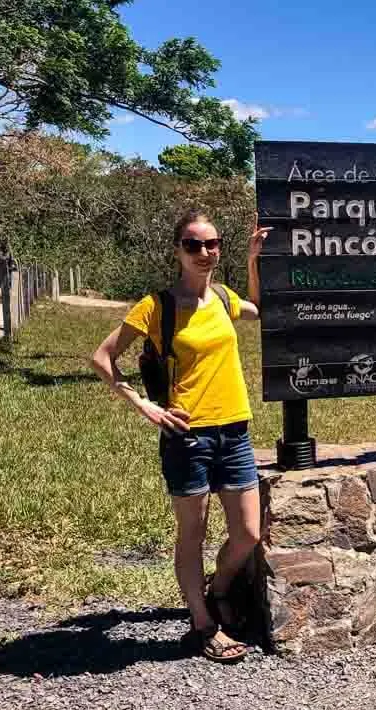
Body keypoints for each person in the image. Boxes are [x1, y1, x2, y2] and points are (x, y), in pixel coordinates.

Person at [91, 210, 272, 663]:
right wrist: (144, 405)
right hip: (187, 436)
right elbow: (103, 357)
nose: (205, 253)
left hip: (235, 429)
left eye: (212, 244)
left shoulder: (225, 299)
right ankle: (204, 623)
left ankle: (220, 587)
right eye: (193, 245)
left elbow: (260, 308)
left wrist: (252, 260)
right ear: (178, 251)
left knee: (248, 532)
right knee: (193, 531)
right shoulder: (156, 307)